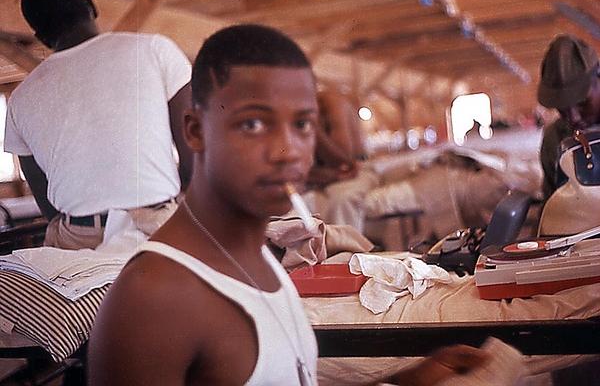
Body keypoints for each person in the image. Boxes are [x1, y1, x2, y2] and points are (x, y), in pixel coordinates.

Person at [87, 24, 488, 386]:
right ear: (194, 131)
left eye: (302, 124)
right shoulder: (153, 297)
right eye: (253, 124)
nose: (287, 151)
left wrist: (409, 381)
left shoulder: (264, 260)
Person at [3, 0, 192, 249]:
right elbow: (195, 152)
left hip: (78, 238)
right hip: (159, 228)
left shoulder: (21, 97)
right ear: (91, 7)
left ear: (41, 37)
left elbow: (43, 196)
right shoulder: (154, 49)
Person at [302, 89, 380, 233]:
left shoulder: (332, 102)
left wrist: (313, 126)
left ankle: (344, 251)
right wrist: (330, 176)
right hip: (322, 177)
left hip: (357, 170)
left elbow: (345, 161)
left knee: (342, 199)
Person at [537, 34, 600, 201]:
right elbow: (552, 205)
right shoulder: (554, 139)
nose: (573, 118)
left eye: (582, 103)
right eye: (562, 108)